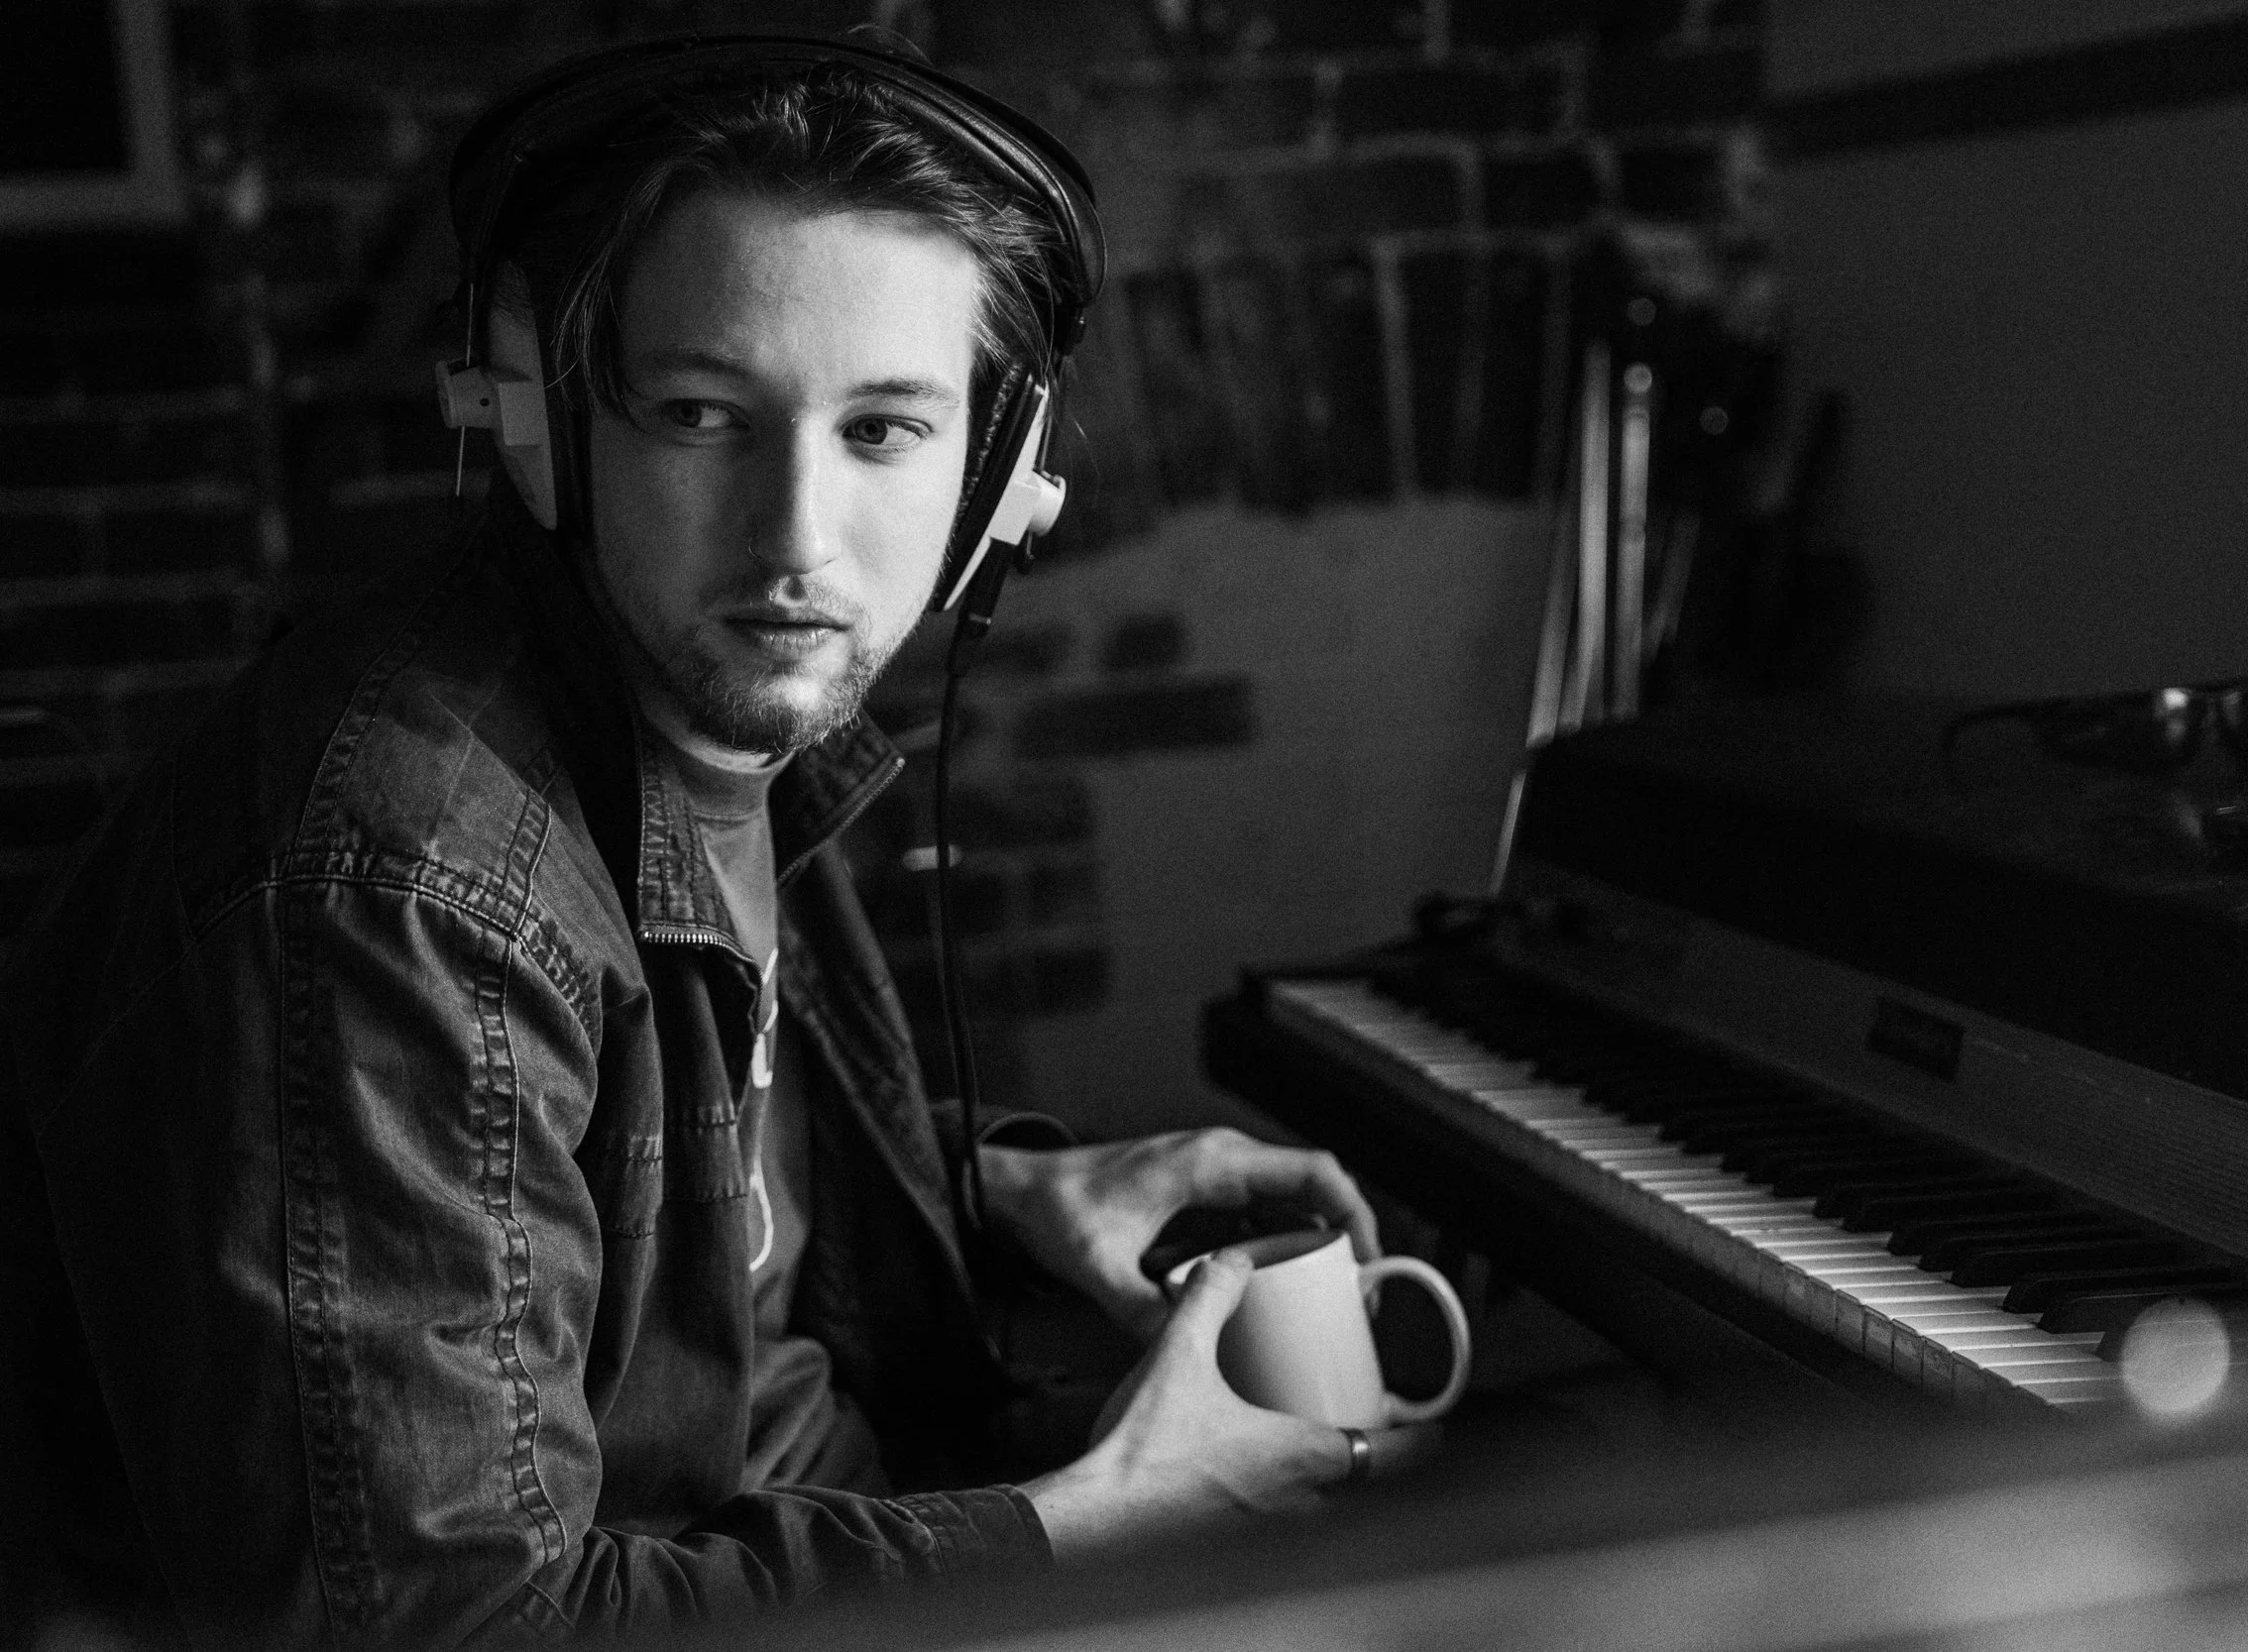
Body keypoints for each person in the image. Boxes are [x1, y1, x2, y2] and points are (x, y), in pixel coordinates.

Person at [0, 37, 1424, 1647]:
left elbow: (645, 1173)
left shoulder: (703, 724)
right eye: (700, 413)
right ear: (543, 419)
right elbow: (447, 1628)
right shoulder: (406, 888)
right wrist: (1092, 1528)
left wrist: (1007, 1186)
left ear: (1002, 477)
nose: (797, 540)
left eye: (885, 430)